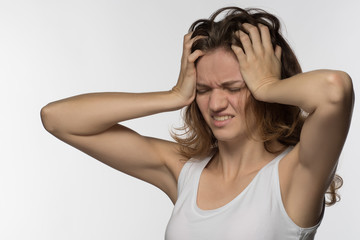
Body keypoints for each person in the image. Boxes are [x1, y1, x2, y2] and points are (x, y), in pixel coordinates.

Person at [40, 6, 354, 240]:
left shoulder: (296, 174)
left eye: (233, 88)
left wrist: (267, 87)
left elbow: (335, 90)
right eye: (203, 90)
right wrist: (174, 95)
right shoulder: (184, 171)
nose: (216, 104)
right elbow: (58, 119)